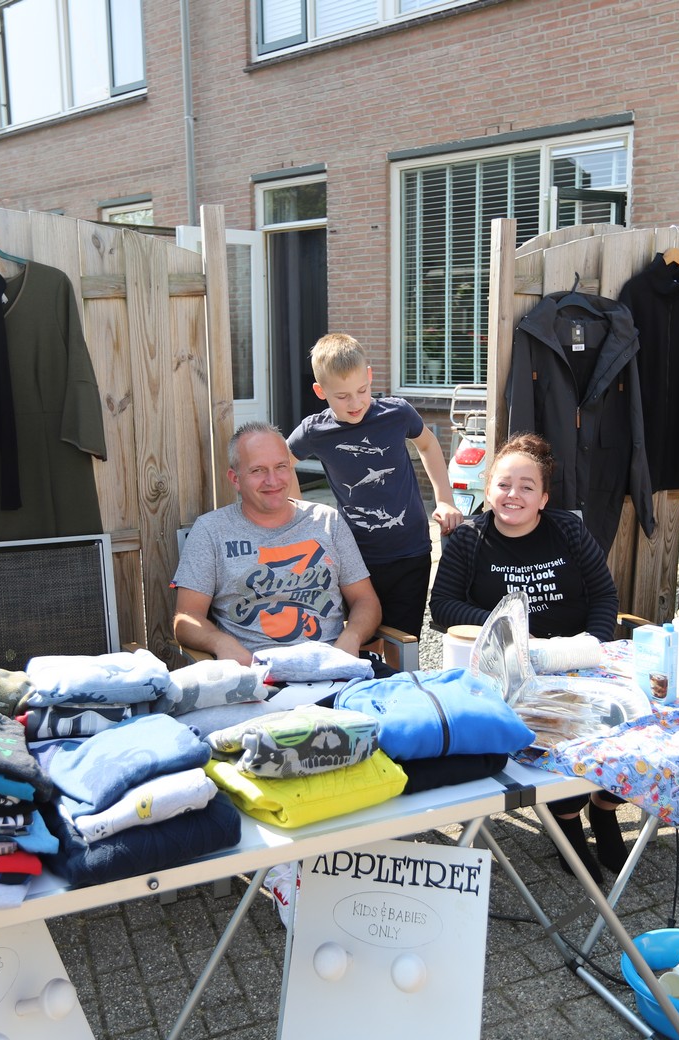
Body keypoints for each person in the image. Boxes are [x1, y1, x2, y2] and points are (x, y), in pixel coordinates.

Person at [429, 432, 628, 884]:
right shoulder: (468, 539)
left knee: (628, 721)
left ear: (543, 498)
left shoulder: (568, 530)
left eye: (526, 486)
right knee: (550, 731)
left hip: (576, 658)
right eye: (503, 484)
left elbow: (604, 595)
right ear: (488, 489)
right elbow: (442, 606)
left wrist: (591, 648)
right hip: (510, 668)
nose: (513, 494)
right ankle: (566, 819)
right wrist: (512, 631)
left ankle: (604, 806)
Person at [286, 333, 462, 635]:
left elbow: (428, 445)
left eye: (362, 390)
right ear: (320, 391)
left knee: (404, 638)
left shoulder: (397, 413)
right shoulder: (314, 431)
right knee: (360, 636)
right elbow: (283, 462)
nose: (355, 403)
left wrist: (445, 499)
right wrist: (301, 517)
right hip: (353, 556)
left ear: (369, 376)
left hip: (411, 549)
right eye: (342, 396)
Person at [172, 422, 383, 667]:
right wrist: (220, 643)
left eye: (281, 467)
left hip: (333, 666)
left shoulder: (328, 522)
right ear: (235, 479)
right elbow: (187, 618)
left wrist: (352, 637)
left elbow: (365, 601)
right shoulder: (211, 531)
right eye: (258, 470)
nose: (272, 481)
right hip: (255, 673)